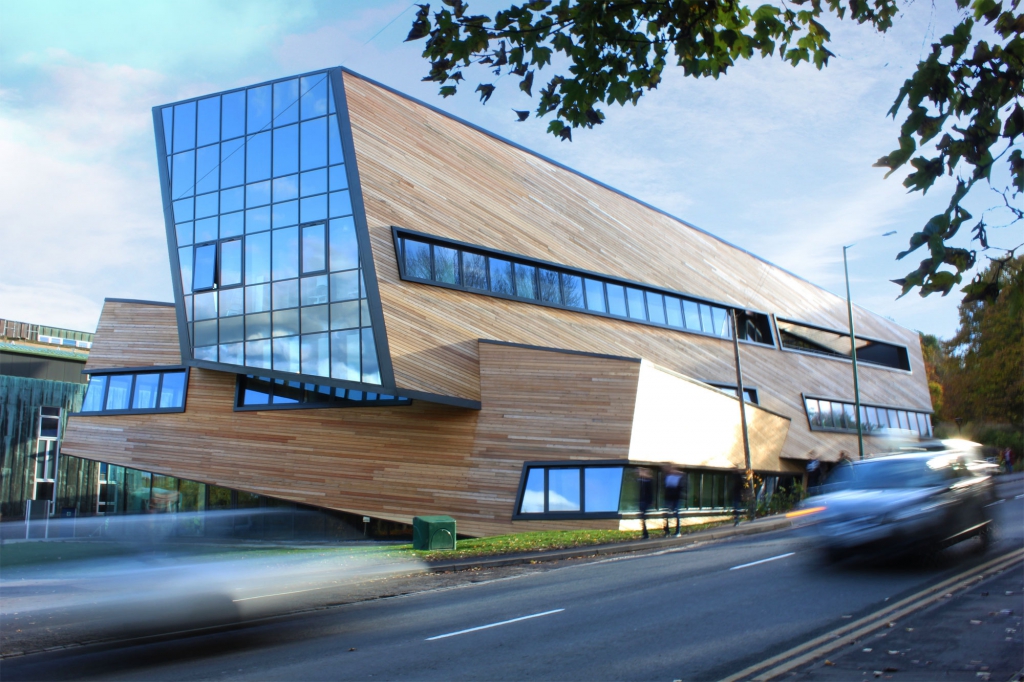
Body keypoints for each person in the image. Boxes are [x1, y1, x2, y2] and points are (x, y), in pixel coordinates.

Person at [663, 465, 685, 537]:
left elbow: (682, 488)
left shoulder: (680, 477)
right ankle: (667, 531)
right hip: (669, 498)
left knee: (676, 514)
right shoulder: (667, 476)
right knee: (667, 515)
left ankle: (677, 531)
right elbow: (666, 488)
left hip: (676, 498)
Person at [636, 467, 653, 539]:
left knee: (643, 516)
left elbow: (650, 492)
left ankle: (645, 533)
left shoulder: (648, 481)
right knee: (642, 516)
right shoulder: (640, 480)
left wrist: (650, 501)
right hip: (641, 500)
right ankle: (645, 533)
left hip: (646, 501)